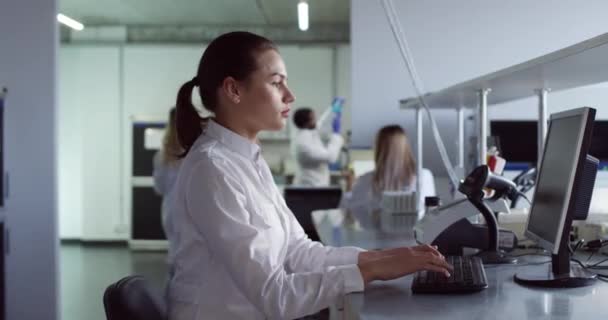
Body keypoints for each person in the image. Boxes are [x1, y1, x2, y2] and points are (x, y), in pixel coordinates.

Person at [167, 31, 451, 320]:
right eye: (277, 83)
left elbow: (297, 251)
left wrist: (381, 257)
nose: (290, 95)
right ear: (234, 90)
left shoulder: (247, 158)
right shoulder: (213, 169)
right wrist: (371, 270)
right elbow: (275, 296)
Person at [342, 125, 436, 211]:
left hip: (376, 229)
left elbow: (349, 208)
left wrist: (349, 185)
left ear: (378, 149)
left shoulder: (365, 180)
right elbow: (432, 212)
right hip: (415, 229)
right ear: (406, 147)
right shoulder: (424, 176)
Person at [292, 106, 343, 186]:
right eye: (313, 119)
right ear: (306, 123)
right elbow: (331, 157)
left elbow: (321, 122)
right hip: (309, 186)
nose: (316, 121)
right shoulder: (302, 144)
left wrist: (332, 109)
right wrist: (336, 135)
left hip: (316, 184)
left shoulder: (307, 132)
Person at [152, 107, 183, 239]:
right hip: (194, 212)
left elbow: (159, 188)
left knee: (177, 253)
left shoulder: (162, 156)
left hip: (171, 210)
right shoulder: (198, 153)